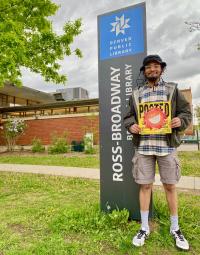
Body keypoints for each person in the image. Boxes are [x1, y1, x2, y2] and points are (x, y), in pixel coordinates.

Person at [124, 55, 192, 251]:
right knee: (145, 186)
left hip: (167, 147)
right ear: (144, 71)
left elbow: (186, 112)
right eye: (148, 67)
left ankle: (175, 227)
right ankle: (144, 227)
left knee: (170, 186)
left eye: (156, 66)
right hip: (144, 147)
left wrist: (181, 121)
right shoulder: (137, 94)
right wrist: (132, 126)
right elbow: (128, 117)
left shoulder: (172, 90)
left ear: (161, 69)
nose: (152, 69)